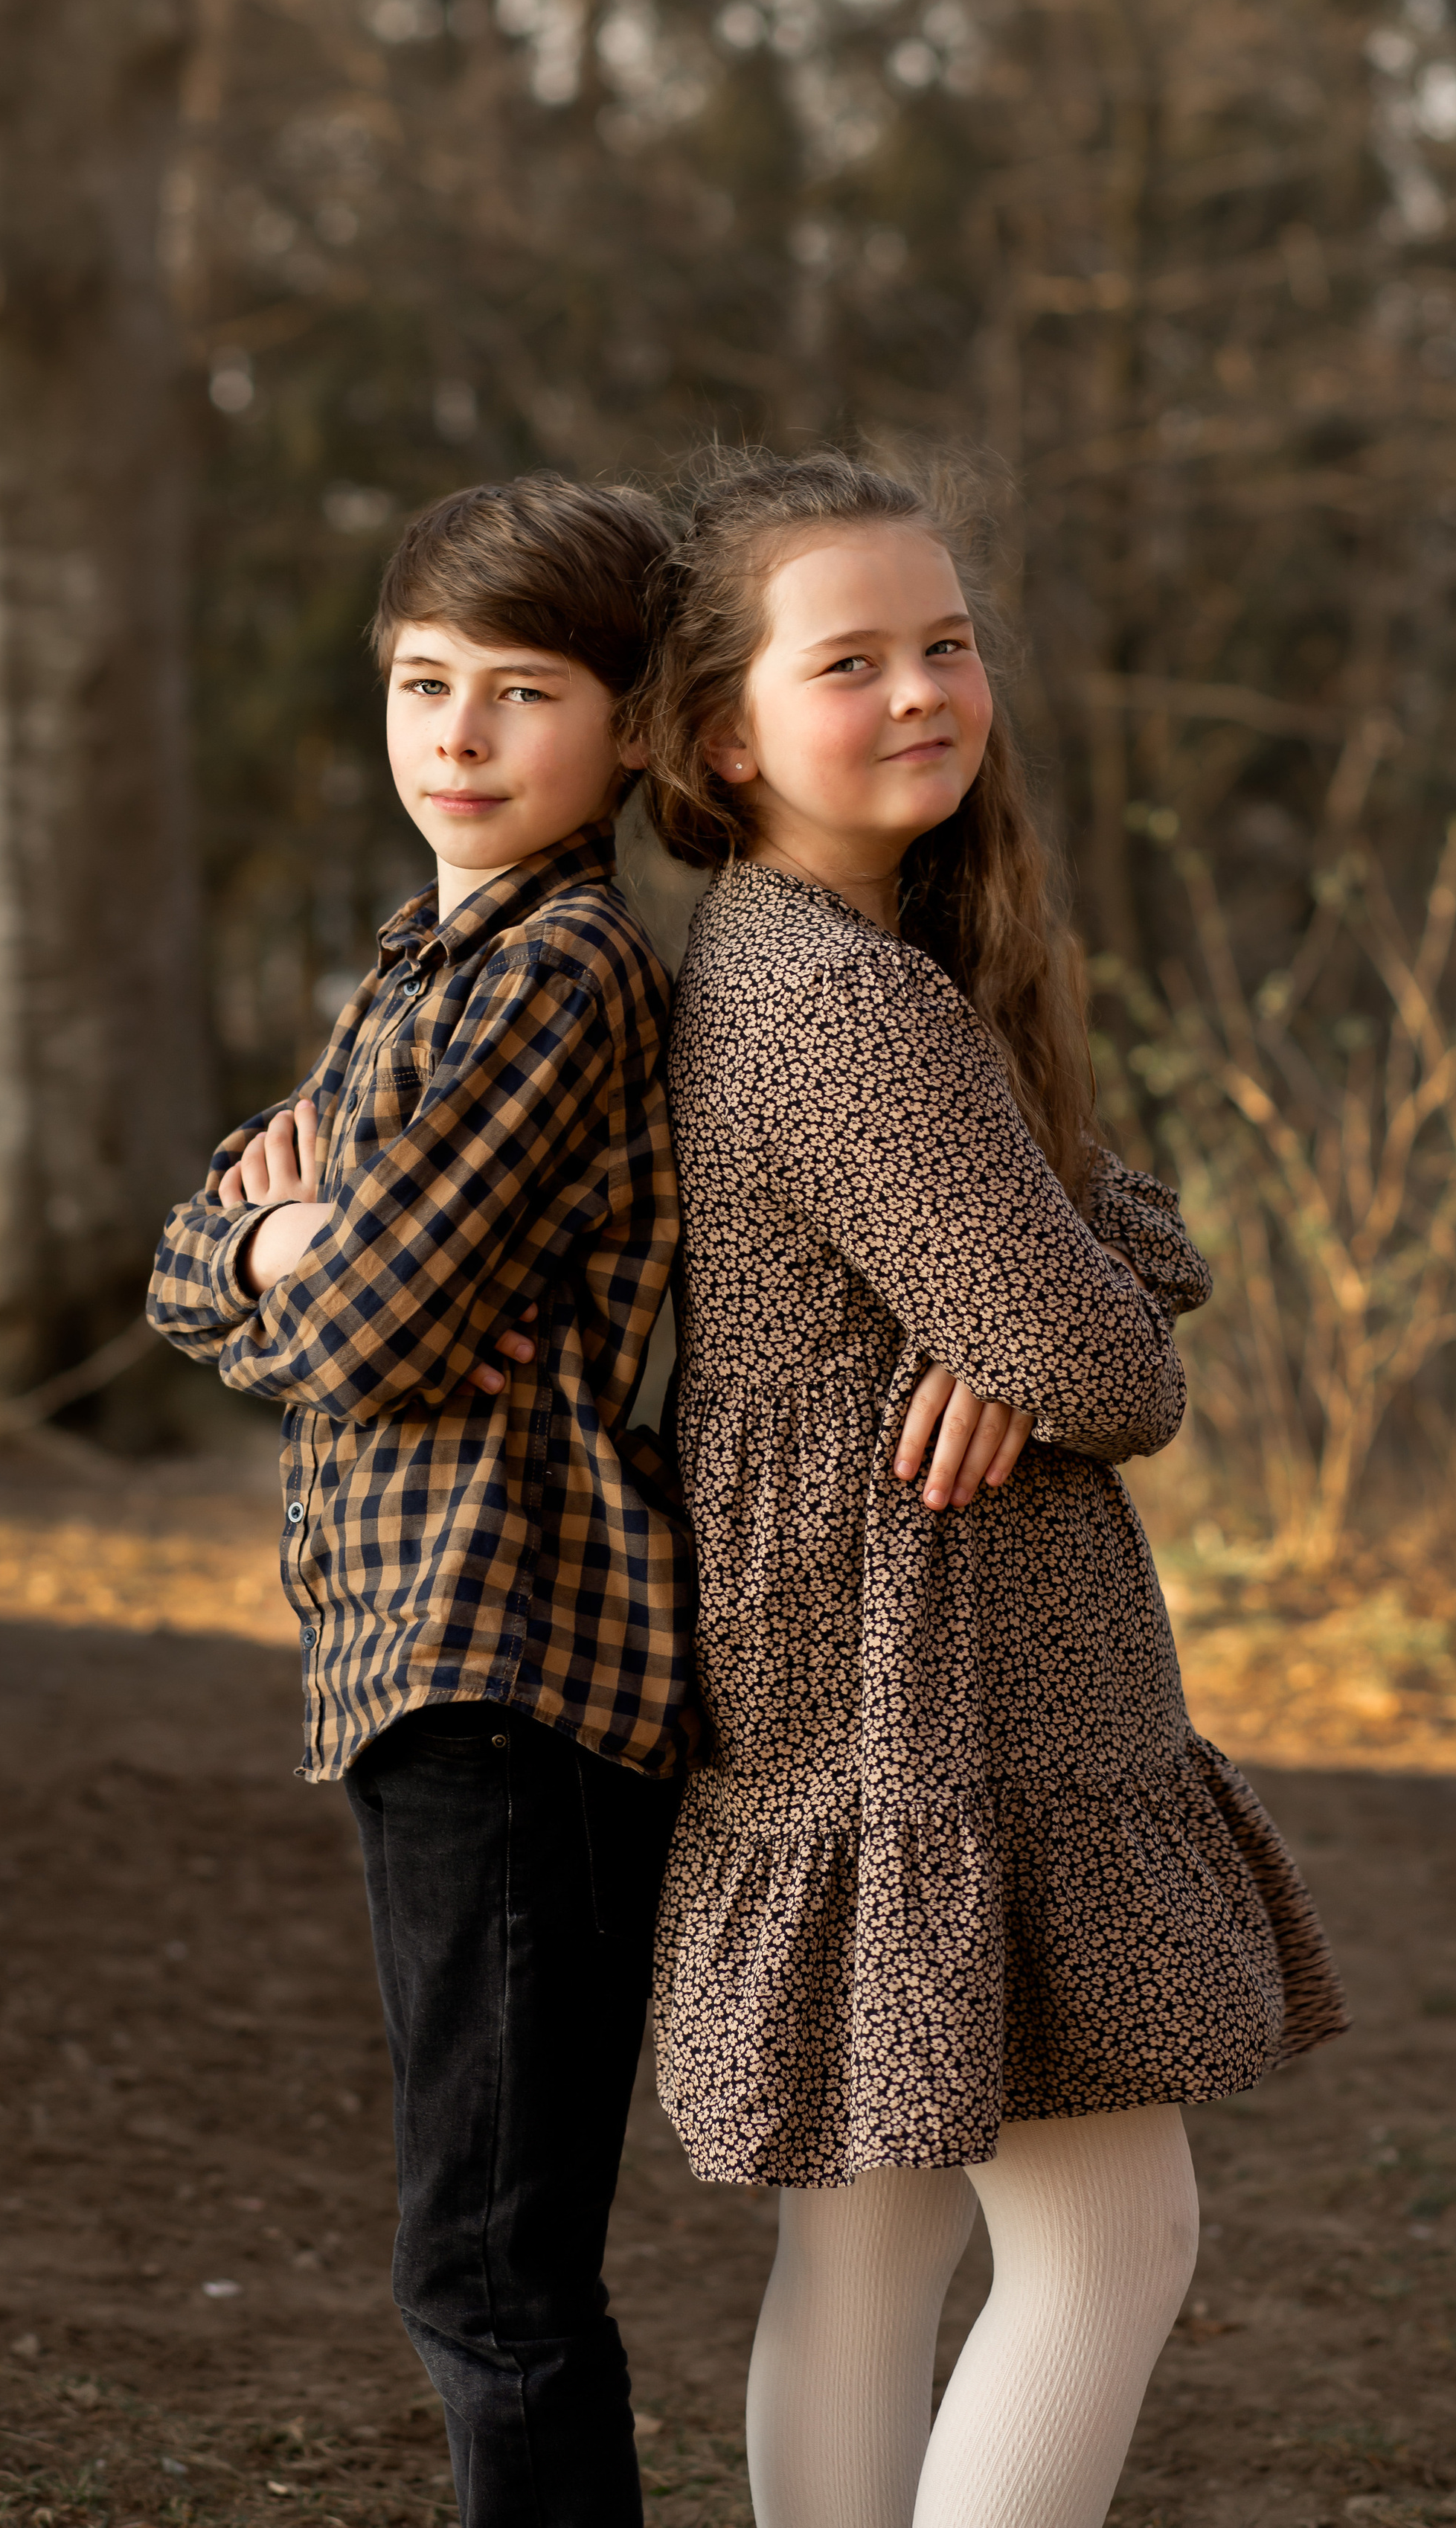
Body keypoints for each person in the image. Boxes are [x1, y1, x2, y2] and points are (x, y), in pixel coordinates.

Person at [626, 447, 1347, 2528]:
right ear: (719, 736)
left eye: (947, 643)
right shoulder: (851, 1013)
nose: (926, 689)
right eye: (849, 660)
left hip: (856, 1680)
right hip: (949, 1685)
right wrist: (1041, 1324)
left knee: (875, 2236)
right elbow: (1111, 1364)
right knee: (1113, 2243)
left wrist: (1045, 1301)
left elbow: (1120, 1253)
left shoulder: (793, 966)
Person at [147, 476, 693, 2527]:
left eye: (521, 692)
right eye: (423, 684)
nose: (456, 737)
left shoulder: (561, 977)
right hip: (414, 1656)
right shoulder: (416, 969)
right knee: (476, 2248)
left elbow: (368, 1326)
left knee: (491, 2262)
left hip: (517, 1661)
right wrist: (270, 1249)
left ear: (630, 734)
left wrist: (302, 1258)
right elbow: (189, 1249)